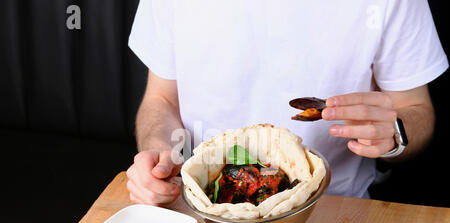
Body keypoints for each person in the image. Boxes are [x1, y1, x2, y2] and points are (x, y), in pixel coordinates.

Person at [126, 0, 448, 206]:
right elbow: (162, 99)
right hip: (197, 206)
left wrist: (394, 134)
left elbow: (415, 109)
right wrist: (162, 157)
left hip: (334, 212)